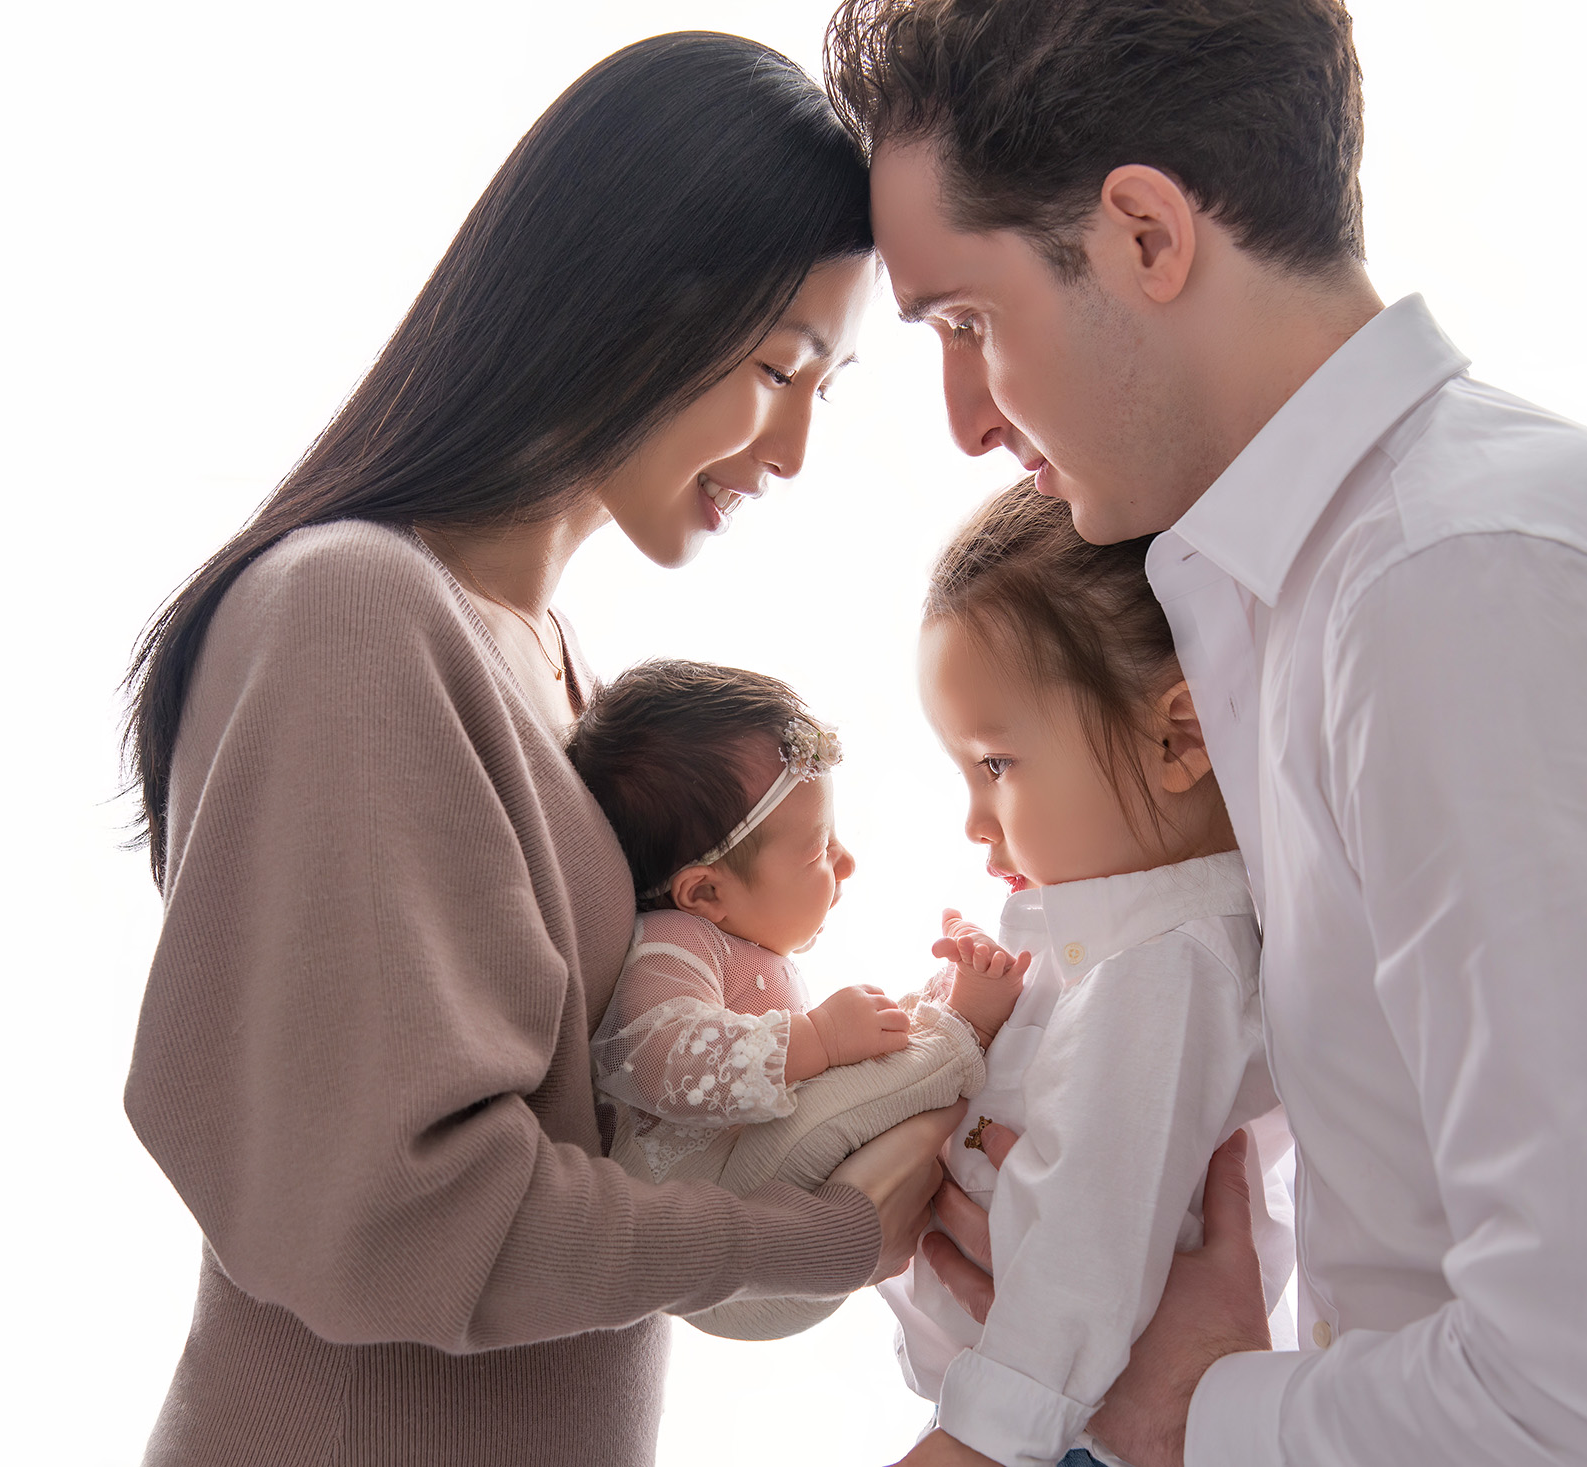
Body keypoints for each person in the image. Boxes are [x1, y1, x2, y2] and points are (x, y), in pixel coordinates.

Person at [823, 1, 1587, 1464]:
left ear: (1144, 234)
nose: (961, 419)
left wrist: (1187, 1416)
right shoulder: (1303, 603)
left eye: (966, 321)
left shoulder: (1465, 585)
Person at [119, 33, 955, 1467]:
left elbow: (605, 1121)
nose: (796, 450)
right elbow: (405, 1210)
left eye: (830, 386)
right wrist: (814, 1235)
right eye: (778, 366)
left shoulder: (560, 665)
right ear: (633, 302)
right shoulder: (354, 613)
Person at [880, 482, 1291, 1467]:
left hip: (1052, 1431)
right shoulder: (1110, 946)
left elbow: (1088, 1242)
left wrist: (974, 1443)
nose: (975, 821)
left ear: (1175, 738)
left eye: (994, 765)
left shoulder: (1165, 960)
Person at [568, 659, 1019, 1188]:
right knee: (845, 1094)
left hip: (750, 1166)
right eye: (818, 852)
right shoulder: (677, 941)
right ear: (706, 892)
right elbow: (656, 1057)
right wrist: (819, 1039)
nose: (845, 861)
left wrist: (836, 1039)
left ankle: (935, 1005)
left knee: (859, 1073)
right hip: (709, 1188)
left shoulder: (734, 944)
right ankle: (962, 1028)